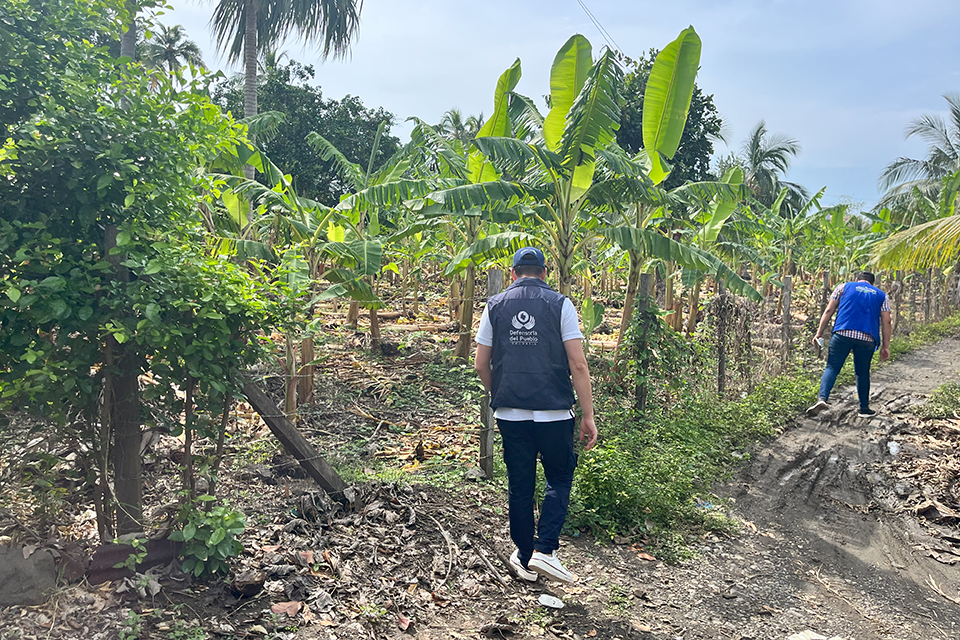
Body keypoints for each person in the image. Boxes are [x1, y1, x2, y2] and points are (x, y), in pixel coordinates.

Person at [474, 247, 598, 584]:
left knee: (520, 484)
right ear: (545, 273)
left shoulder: (494, 305)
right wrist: (588, 415)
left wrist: (500, 395)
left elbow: (480, 364)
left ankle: (525, 557)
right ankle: (545, 550)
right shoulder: (561, 304)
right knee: (558, 477)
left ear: (513, 274)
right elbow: (578, 364)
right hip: (555, 411)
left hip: (510, 413)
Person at [807, 271, 892, 418]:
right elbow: (887, 321)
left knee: (832, 367)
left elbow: (829, 310)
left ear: (857, 279)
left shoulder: (843, 287)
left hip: (842, 333)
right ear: (872, 283)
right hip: (867, 338)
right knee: (862, 372)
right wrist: (885, 346)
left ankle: (822, 399)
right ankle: (864, 408)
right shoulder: (881, 295)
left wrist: (819, 333)